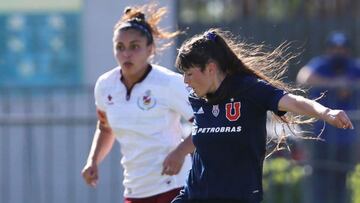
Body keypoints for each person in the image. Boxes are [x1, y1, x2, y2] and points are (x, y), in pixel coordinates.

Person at [171, 28, 354, 203]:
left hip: (237, 198)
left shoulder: (250, 89)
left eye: (189, 74)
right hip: (194, 196)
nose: (185, 81)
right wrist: (179, 152)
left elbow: (294, 102)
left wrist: (327, 112)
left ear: (210, 68)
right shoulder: (197, 99)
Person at [81, 4, 195, 203]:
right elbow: (106, 128)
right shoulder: (105, 86)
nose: (126, 54)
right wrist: (93, 161)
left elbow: (205, 123)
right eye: (120, 47)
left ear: (150, 49)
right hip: (135, 188)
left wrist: (180, 152)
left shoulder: (168, 83)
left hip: (175, 186)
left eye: (134, 47)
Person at [297, 31, 360, 203]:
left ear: (348, 51)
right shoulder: (320, 65)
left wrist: (350, 85)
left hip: (348, 139)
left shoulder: (354, 67)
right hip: (321, 137)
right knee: (320, 185)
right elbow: (303, 77)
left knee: (343, 185)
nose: (338, 52)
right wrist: (335, 84)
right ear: (328, 50)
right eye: (334, 48)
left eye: (342, 49)